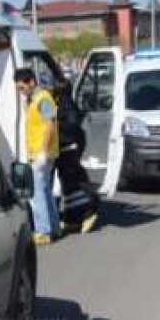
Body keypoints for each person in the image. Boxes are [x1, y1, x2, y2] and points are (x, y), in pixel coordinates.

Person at [15, 68, 60, 246]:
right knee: (45, 192)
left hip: (43, 154)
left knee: (37, 195)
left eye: (22, 88)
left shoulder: (43, 99)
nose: (21, 92)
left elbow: (50, 124)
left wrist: (42, 151)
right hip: (41, 154)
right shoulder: (35, 100)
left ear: (31, 82)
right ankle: (53, 228)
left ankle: (43, 231)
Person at [51, 79, 100, 233]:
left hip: (68, 148)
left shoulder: (65, 105)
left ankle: (87, 213)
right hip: (66, 148)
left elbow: (71, 124)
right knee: (68, 185)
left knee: (74, 183)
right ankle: (73, 218)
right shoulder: (63, 103)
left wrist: (57, 125)